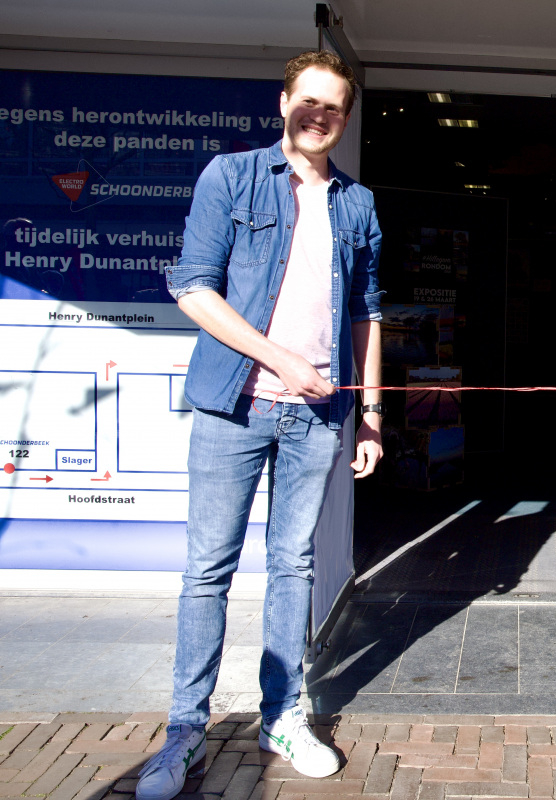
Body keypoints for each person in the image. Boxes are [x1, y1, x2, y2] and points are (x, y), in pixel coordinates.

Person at [136, 51, 384, 800]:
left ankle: (281, 716)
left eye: (333, 107)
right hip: (234, 405)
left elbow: (368, 313)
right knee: (207, 570)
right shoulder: (232, 176)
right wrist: (281, 360)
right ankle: (186, 730)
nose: (319, 115)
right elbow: (193, 289)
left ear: (345, 118)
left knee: (292, 569)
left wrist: (371, 415)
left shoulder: (358, 203)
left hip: (316, 418)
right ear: (283, 103)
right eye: (309, 100)